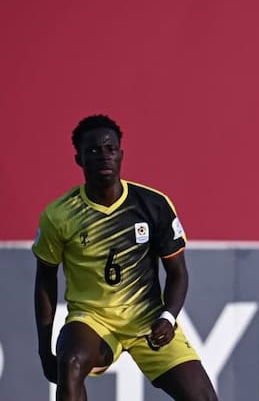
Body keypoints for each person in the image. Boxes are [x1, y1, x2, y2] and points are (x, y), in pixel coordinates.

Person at [33, 115, 218, 401]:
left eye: (110, 148)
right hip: (92, 319)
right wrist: (45, 350)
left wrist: (168, 317)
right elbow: (45, 280)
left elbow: (178, 273)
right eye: (92, 151)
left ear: (121, 154)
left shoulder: (153, 204)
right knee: (69, 363)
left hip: (147, 320)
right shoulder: (59, 215)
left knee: (202, 397)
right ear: (78, 160)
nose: (103, 156)